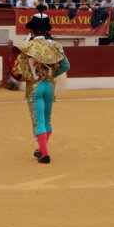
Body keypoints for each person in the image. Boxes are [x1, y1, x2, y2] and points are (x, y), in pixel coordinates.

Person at [13, 13, 70, 162]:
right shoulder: (55, 46)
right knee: (47, 121)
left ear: (31, 31)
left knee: (38, 122)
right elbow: (66, 66)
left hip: (35, 87)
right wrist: (51, 75)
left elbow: (16, 69)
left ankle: (45, 154)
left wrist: (27, 76)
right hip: (49, 87)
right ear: (46, 31)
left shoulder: (27, 46)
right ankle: (40, 150)